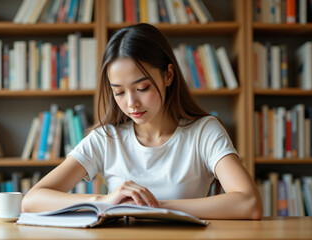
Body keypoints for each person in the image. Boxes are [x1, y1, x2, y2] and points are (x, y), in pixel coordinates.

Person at [22, 23, 263, 220]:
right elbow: (32, 200)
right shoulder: (106, 138)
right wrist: (104, 201)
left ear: (168, 75)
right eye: (119, 92)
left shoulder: (203, 131)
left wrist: (153, 207)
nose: (131, 103)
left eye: (142, 87)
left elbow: (249, 203)